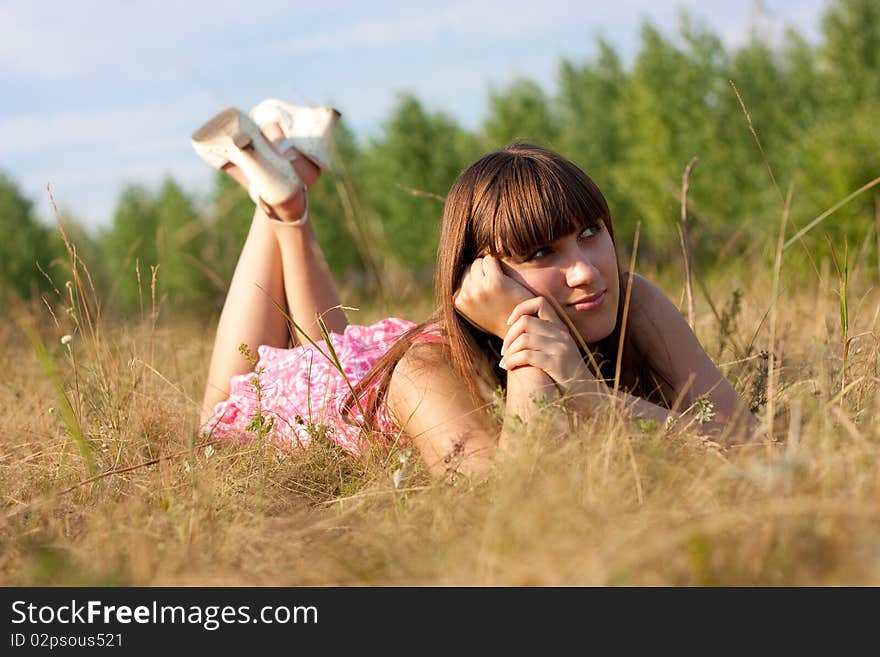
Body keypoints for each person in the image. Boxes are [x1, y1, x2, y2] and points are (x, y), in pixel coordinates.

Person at [192, 99, 756, 479]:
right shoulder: (421, 374)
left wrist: (586, 392)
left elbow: (744, 436)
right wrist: (529, 335)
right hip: (316, 397)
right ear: (479, 274)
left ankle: (287, 199)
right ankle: (282, 202)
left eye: (590, 233)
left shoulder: (631, 298)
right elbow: (515, 498)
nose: (585, 270)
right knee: (215, 419)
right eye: (541, 253)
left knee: (333, 348)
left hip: (358, 367)